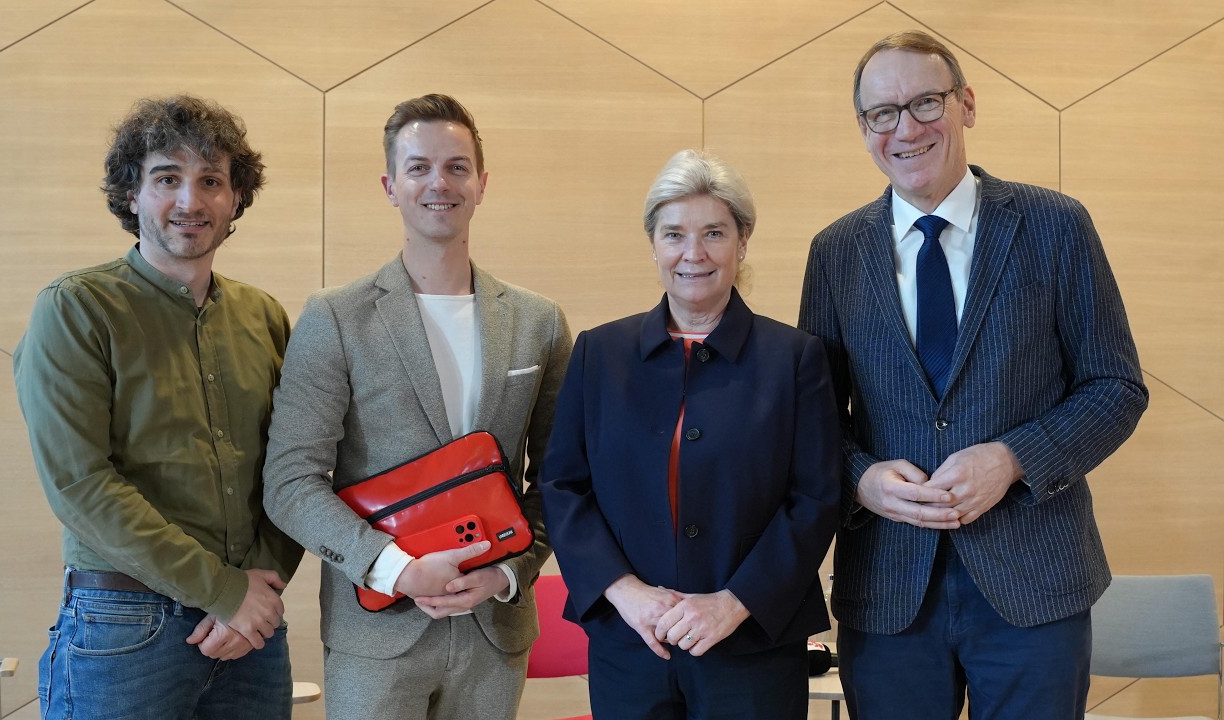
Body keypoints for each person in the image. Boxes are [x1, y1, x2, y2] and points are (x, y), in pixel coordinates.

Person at [798, 30, 1149, 720]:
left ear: (966, 104)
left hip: (1035, 584)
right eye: (883, 113)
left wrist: (1013, 458)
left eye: (926, 103)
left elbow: (1116, 387)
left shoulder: (1055, 225)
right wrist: (861, 478)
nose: (907, 128)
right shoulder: (835, 252)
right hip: (889, 587)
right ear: (864, 129)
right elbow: (812, 420)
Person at [262, 93, 571, 720]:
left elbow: (561, 478)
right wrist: (395, 568)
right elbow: (290, 482)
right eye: (419, 167)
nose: (439, 183)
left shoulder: (539, 322)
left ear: (482, 184)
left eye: (457, 167)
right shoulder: (335, 317)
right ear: (390, 186)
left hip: (494, 629)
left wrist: (509, 572)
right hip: (375, 633)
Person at [13, 95, 303, 719]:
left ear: (236, 200)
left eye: (211, 181)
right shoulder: (76, 307)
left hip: (251, 628)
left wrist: (260, 585)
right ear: (132, 194)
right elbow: (80, 484)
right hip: (124, 625)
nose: (190, 201)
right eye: (167, 178)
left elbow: (293, 467)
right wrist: (223, 591)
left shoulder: (264, 316)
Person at [541, 149, 841, 719]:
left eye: (714, 233)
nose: (693, 253)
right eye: (674, 234)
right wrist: (626, 592)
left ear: (743, 241)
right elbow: (562, 486)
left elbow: (816, 498)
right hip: (633, 641)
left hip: (752, 645)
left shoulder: (794, 358)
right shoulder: (600, 354)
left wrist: (733, 603)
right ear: (653, 245)